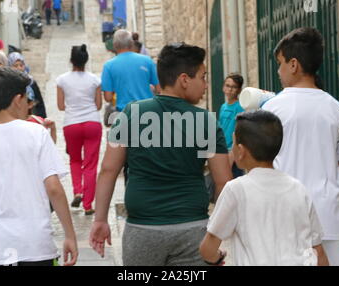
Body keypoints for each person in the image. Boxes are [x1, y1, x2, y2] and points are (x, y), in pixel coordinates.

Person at [89, 43, 233, 266]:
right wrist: (215, 237)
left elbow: (108, 170)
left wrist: (100, 220)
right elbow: (223, 182)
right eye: (203, 77)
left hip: (142, 230)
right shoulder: (205, 121)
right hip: (192, 230)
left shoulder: (131, 113)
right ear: (184, 79)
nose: (205, 85)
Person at [0, 67, 78, 266]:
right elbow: (54, 188)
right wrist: (70, 235)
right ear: (17, 99)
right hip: (36, 245)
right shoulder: (37, 134)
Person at [262, 27, 339, 266]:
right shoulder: (338, 110)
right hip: (330, 220)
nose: (278, 70)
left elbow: (263, 168)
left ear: (293, 64)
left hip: (285, 218)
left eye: (280, 63)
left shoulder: (272, 110)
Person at [200, 110, 329, 266]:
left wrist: (217, 258)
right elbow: (318, 251)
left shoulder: (236, 190)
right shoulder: (299, 189)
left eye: (233, 142)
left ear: (240, 151)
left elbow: (208, 248)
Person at [57, 45, 102, 215]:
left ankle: (77, 191)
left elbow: (61, 106)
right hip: (92, 123)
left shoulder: (62, 80)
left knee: (75, 160)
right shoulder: (94, 80)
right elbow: (98, 105)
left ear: (71, 60)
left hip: (71, 124)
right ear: (86, 60)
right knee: (90, 165)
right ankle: (88, 205)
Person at [102, 29, 160, 113]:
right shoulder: (147, 60)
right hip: (148, 112)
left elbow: (108, 97)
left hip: (125, 113)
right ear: (131, 43)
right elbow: (159, 89)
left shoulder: (109, 66)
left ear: (114, 45)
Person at [218, 73, 245, 178]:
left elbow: (240, 133)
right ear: (223, 87)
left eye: (233, 87)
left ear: (238, 90)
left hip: (233, 152)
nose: (230, 89)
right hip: (223, 151)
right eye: (227, 85)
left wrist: (233, 155)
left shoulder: (240, 108)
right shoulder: (223, 107)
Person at [8, 52, 47, 118]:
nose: (19, 68)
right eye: (15, 65)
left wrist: (42, 119)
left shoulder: (31, 81)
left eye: (21, 65)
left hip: (31, 117)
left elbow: (39, 103)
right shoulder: (7, 83)